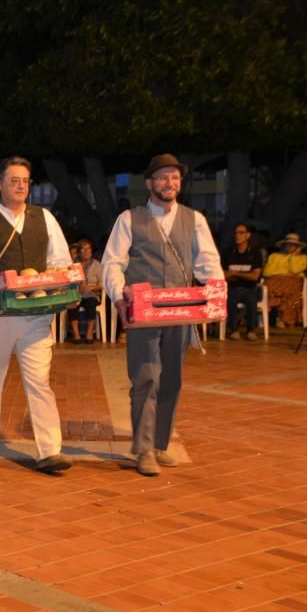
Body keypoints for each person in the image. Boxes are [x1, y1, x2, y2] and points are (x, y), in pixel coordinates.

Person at [102, 154, 223, 476]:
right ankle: (143, 450)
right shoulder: (129, 219)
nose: (169, 184)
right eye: (163, 178)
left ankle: (160, 443)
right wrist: (118, 294)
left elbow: (208, 262)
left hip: (182, 311)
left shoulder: (194, 219)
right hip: (144, 312)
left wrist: (215, 291)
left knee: (171, 380)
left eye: (175, 178)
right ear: (150, 183)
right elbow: (113, 262)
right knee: (146, 377)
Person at [0, 156, 73, 473]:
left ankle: (50, 450)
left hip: (36, 314)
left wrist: (62, 285)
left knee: (39, 382)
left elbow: (60, 259)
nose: (20, 186)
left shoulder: (45, 218)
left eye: (25, 181)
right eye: (13, 180)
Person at [221, 223, 264, 340]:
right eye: (235, 233)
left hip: (249, 287)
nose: (237, 236)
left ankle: (251, 330)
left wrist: (235, 273)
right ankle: (234, 330)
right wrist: (245, 275)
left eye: (241, 233)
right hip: (232, 287)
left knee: (251, 298)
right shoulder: (227, 252)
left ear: (248, 235)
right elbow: (222, 274)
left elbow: (255, 276)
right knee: (230, 298)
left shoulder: (255, 252)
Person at [264, 232, 307, 328]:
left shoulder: (302, 258)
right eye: (288, 244)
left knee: (289, 285)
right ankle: (281, 318)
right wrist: (284, 273)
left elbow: (295, 270)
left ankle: (280, 315)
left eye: (293, 245)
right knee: (274, 284)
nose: (290, 247)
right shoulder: (274, 256)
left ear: (297, 246)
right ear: (284, 245)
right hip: (276, 281)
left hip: (292, 282)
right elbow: (267, 272)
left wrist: (292, 257)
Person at [69, 238, 103, 344]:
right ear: (79, 252)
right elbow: (68, 281)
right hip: (77, 294)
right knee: (72, 303)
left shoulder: (97, 264)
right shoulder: (74, 265)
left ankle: (89, 334)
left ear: (91, 251)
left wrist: (91, 288)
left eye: (88, 249)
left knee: (90, 302)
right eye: (83, 249)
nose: (86, 252)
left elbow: (102, 284)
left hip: (91, 294)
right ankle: (76, 334)